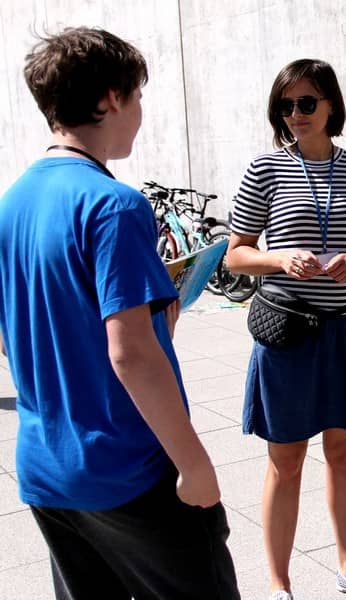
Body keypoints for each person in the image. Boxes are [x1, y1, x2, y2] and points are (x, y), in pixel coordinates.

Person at [0, 27, 239, 599]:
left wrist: (159, 322)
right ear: (112, 98)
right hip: (128, 468)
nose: (139, 112)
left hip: (47, 467)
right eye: (137, 96)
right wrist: (194, 464)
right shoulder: (114, 205)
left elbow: (19, 337)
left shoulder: (12, 203)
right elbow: (130, 354)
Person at [225, 59, 346, 600]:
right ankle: (279, 585)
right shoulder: (265, 169)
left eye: (306, 102)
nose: (296, 114)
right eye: (286, 105)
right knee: (286, 460)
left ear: (330, 105)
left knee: (345, 454)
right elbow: (236, 255)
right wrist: (280, 259)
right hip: (290, 333)